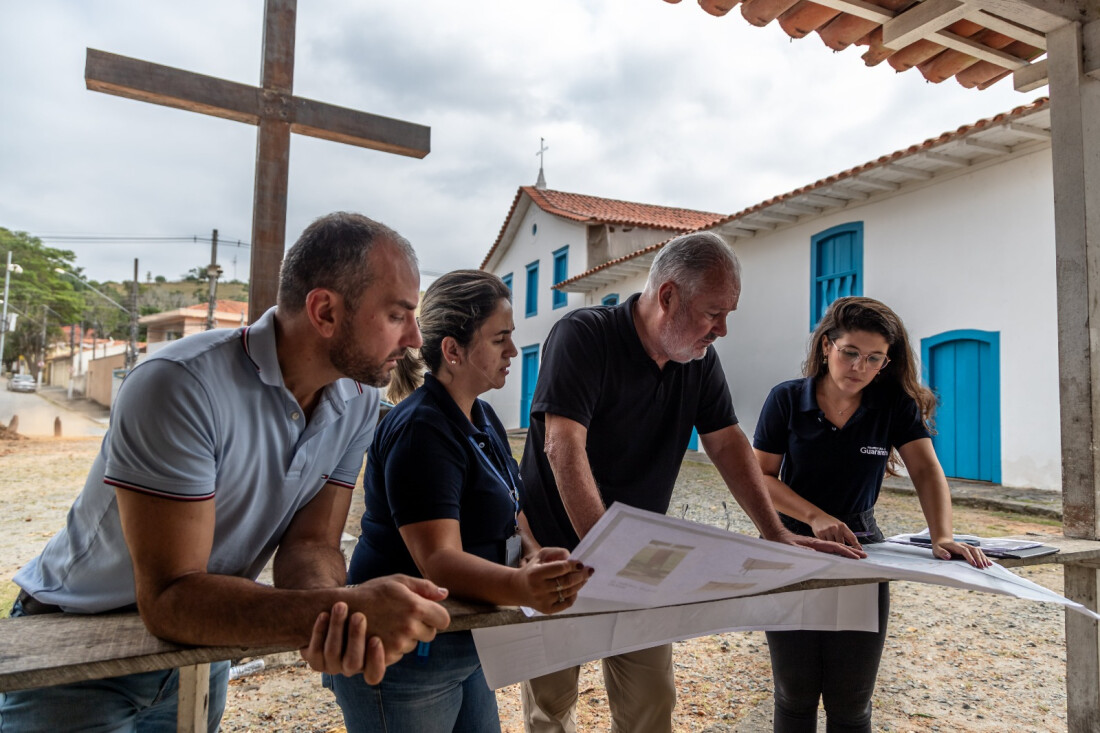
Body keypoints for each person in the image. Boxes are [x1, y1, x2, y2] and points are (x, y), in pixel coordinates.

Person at [0, 212, 451, 731]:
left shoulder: (357, 399)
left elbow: (311, 546)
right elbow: (170, 596)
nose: (416, 338)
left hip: (203, 644)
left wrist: (338, 618)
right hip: (78, 648)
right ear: (324, 311)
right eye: (398, 315)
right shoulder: (180, 384)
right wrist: (339, 612)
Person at [518, 231, 862, 733]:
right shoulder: (584, 335)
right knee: (549, 708)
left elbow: (726, 444)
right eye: (713, 313)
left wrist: (776, 534)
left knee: (651, 705)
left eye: (729, 315)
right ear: (668, 296)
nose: (721, 329)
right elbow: (561, 446)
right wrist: (603, 550)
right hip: (556, 553)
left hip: (638, 559)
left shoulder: (697, 361)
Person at [326, 269, 591, 732]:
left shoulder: (481, 414)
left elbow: (511, 503)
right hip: (405, 657)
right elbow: (439, 562)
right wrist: (522, 588)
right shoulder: (421, 430)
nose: (513, 352)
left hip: (463, 639)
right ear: (453, 350)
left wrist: (529, 554)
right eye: (500, 339)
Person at [752, 296, 991, 733]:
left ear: (885, 363)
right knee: (794, 694)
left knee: (852, 701)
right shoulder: (786, 399)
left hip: (863, 552)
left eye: (874, 358)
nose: (859, 366)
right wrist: (815, 515)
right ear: (826, 346)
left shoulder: (892, 406)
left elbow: (926, 469)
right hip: (791, 548)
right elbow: (761, 477)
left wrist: (942, 535)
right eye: (850, 353)